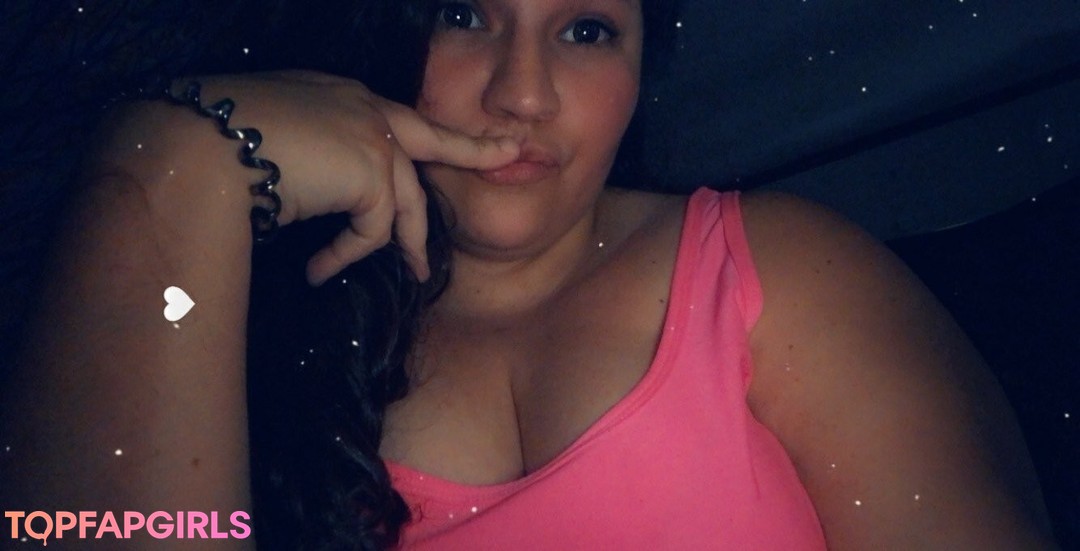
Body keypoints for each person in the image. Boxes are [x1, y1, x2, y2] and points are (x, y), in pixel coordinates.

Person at [0, 0, 1058, 549]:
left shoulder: (780, 270)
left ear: (641, 72)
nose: (522, 93)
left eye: (586, 30)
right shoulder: (240, 326)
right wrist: (180, 160)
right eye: (466, 14)